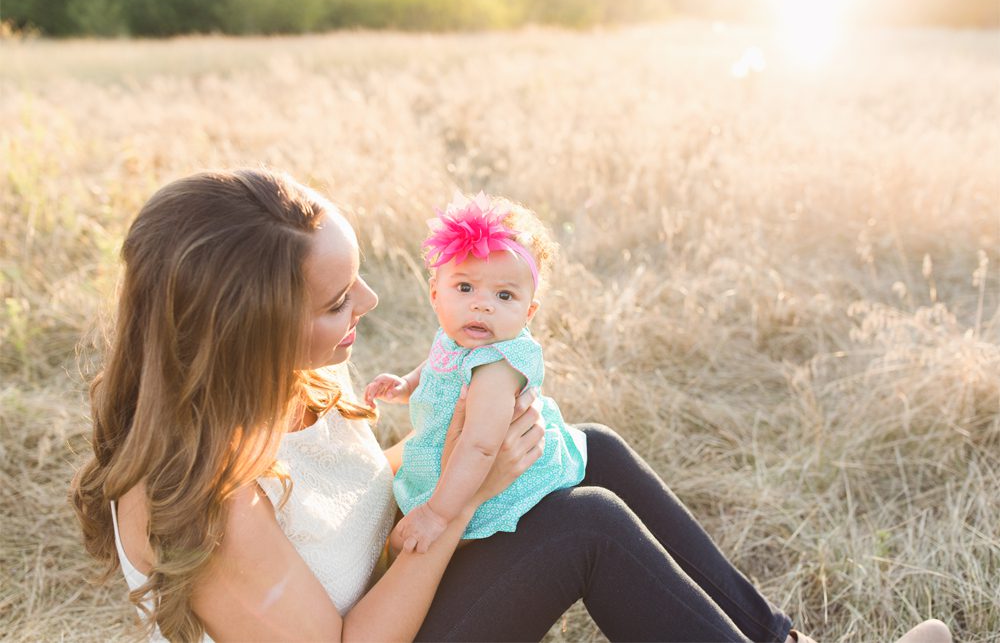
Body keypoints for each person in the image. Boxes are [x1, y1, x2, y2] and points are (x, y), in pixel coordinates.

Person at [70, 168, 951, 643]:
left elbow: (355, 515)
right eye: (337, 302)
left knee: (588, 451)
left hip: (395, 591)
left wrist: (473, 451)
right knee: (585, 526)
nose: (370, 305)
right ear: (243, 331)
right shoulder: (201, 499)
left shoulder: (298, 382)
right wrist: (467, 490)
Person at [364, 192, 586, 553]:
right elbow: (439, 361)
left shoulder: (496, 366)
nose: (481, 304)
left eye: (504, 296)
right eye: (465, 287)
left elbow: (481, 447)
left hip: (498, 486)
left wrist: (437, 514)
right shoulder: (459, 338)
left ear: (528, 313)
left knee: (464, 538)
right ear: (436, 295)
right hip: (454, 467)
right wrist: (407, 384)